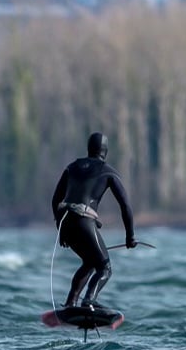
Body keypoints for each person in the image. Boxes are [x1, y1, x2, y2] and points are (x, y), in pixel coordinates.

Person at [51, 131, 136, 310]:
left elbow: (55, 199)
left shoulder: (72, 167)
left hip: (66, 221)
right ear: (105, 151)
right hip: (83, 222)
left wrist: (60, 227)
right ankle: (89, 300)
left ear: (89, 148)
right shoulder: (108, 172)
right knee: (105, 268)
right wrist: (130, 237)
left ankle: (70, 304)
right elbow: (125, 206)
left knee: (90, 262)